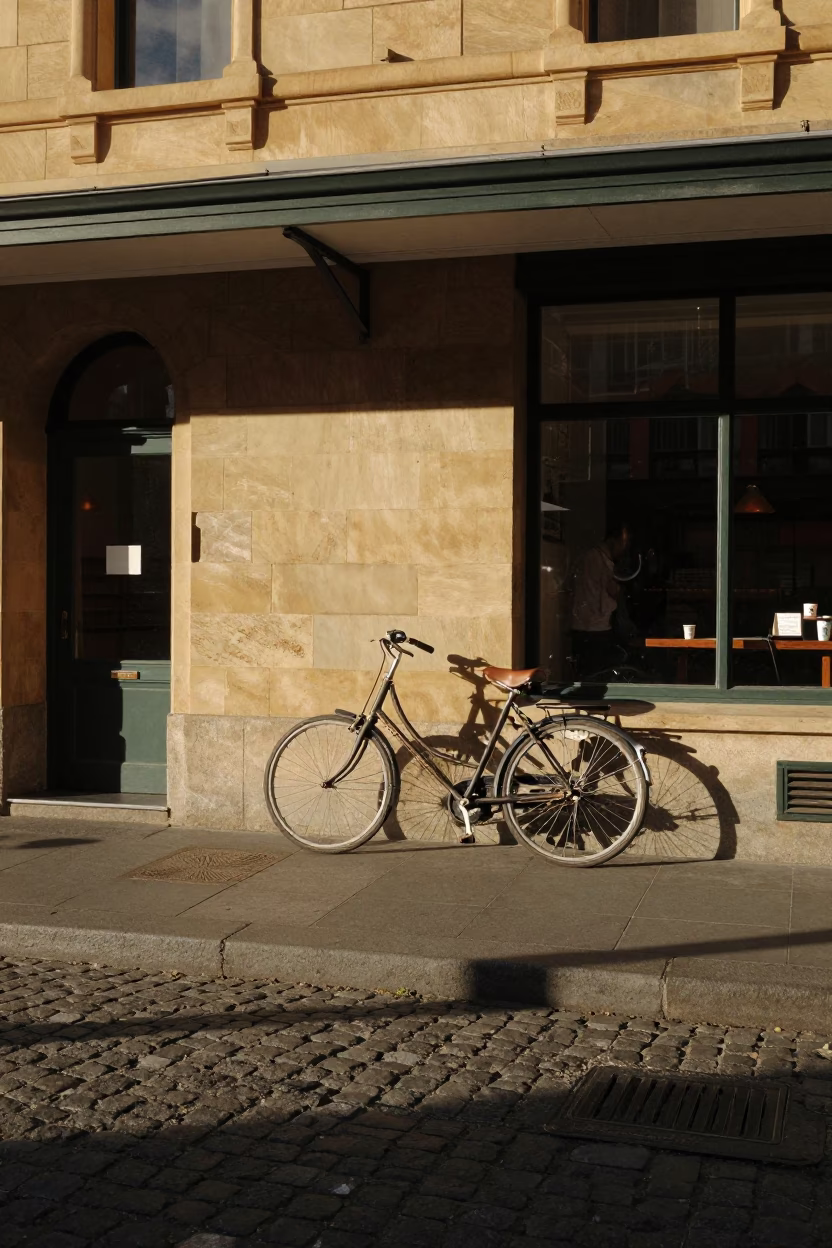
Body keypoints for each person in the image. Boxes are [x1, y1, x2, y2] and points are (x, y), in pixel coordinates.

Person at [571, 522, 633, 677]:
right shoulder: (602, 561)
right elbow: (613, 590)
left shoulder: (587, 556)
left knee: (585, 672)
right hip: (597, 627)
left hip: (580, 624)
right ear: (613, 541)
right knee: (597, 673)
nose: (623, 549)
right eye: (623, 543)